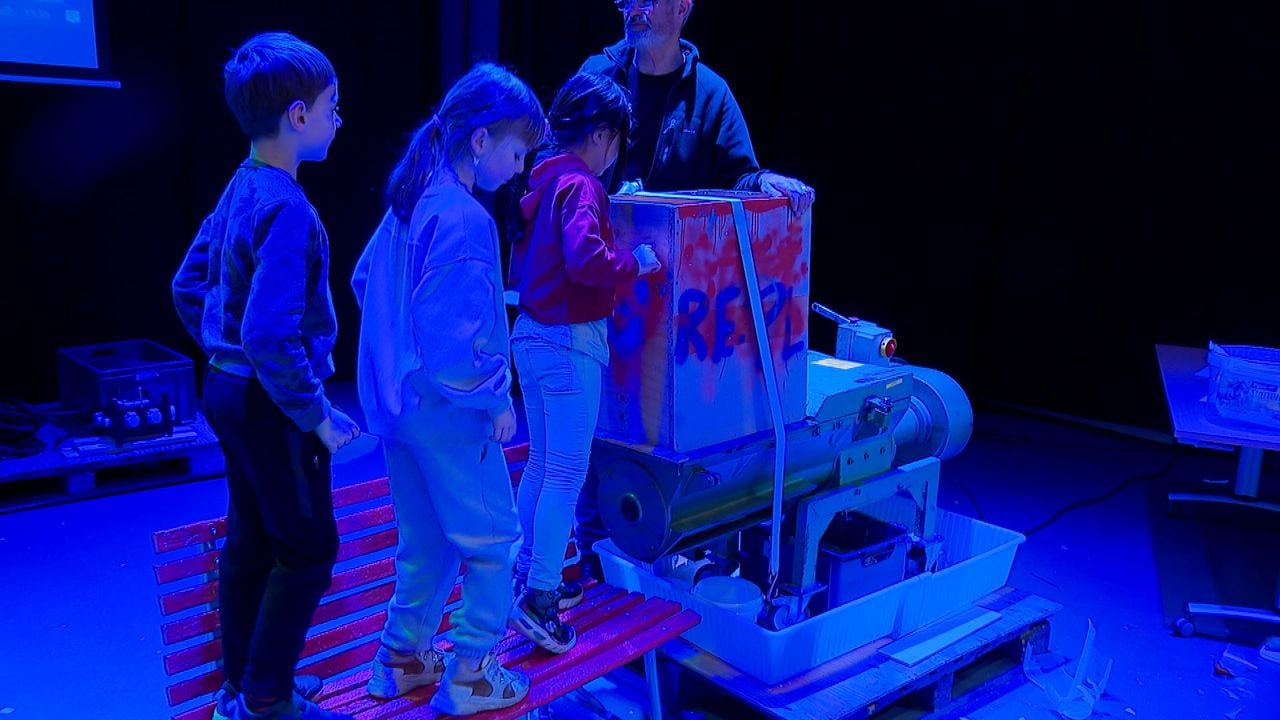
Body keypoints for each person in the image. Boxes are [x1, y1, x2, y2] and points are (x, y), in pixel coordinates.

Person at [171, 32, 359, 720]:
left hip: (228, 389)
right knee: (309, 547)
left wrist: (222, 355)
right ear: (299, 116)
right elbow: (269, 335)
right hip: (266, 399)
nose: (339, 119)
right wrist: (316, 415)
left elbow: (188, 284)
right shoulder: (288, 207)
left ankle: (242, 686)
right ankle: (265, 699)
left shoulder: (240, 186)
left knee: (253, 540)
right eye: (332, 107)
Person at [349, 62, 545, 716]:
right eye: (517, 151)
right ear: (481, 139)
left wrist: (398, 358)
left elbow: (364, 282)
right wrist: (495, 399)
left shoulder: (409, 202)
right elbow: (458, 345)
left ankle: (400, 659)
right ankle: (471, 674)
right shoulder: (463, 217)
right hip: (451, 413)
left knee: (427, 542)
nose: (520, 168)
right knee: (495, 542)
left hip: (401, 412)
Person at [505, 71, 662, 654]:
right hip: (569, 343)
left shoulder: (544, 179)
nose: (616, 154)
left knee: (543, 465)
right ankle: (540, 598)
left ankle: (527, 574)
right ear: (601, 136)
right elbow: (585, 258)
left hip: (530, 336)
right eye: (617, 140)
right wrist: (635, 262)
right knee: (565, 474)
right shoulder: (581, 185)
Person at [579, 0, 816, 215]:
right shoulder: (596, 75)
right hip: (593, 243)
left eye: (645, 2)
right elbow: (561, 154)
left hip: (674, 246)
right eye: (626, 2)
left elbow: (737, 181)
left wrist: (763, 181)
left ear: (681, 8)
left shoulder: (711, 93)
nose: (632, 11)